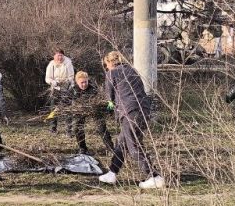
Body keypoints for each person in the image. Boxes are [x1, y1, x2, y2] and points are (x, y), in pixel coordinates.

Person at [99, 51, 165, 189]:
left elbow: (109, 95)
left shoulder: (112, 73)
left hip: (130, 111)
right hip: (144, 109)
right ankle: (112, 172)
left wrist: (109, 105)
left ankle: (154, 176)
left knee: (133, 145)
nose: (107, 68)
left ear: (110, 63)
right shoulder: (133, 71)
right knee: (122, 143)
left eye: (106, 65)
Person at [68, 70, 115, 158]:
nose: (84, 84)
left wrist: (108, 107)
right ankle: (82, 148)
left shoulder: (93, 88)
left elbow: (102, 99)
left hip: (94, 110)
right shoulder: (73, 90)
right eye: (81, 83)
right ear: (77, 82)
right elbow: (66, 101)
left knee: (101, 128)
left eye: (85, 82)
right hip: (79, 111)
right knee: (78, 128)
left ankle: (110, 148)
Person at [45, 49, 75, 134]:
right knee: (53, 109)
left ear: (63, 56)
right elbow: (47, 78)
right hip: (55, 89)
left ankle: (69, 130)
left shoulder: (68, 63)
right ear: (54, 56)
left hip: (67, 88)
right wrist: (54, 82)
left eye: (61, 55)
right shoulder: (51, 64)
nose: (59, 57)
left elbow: (71, 76)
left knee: (68, 110)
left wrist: (67, 84)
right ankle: (53, 129)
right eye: (58, 55)